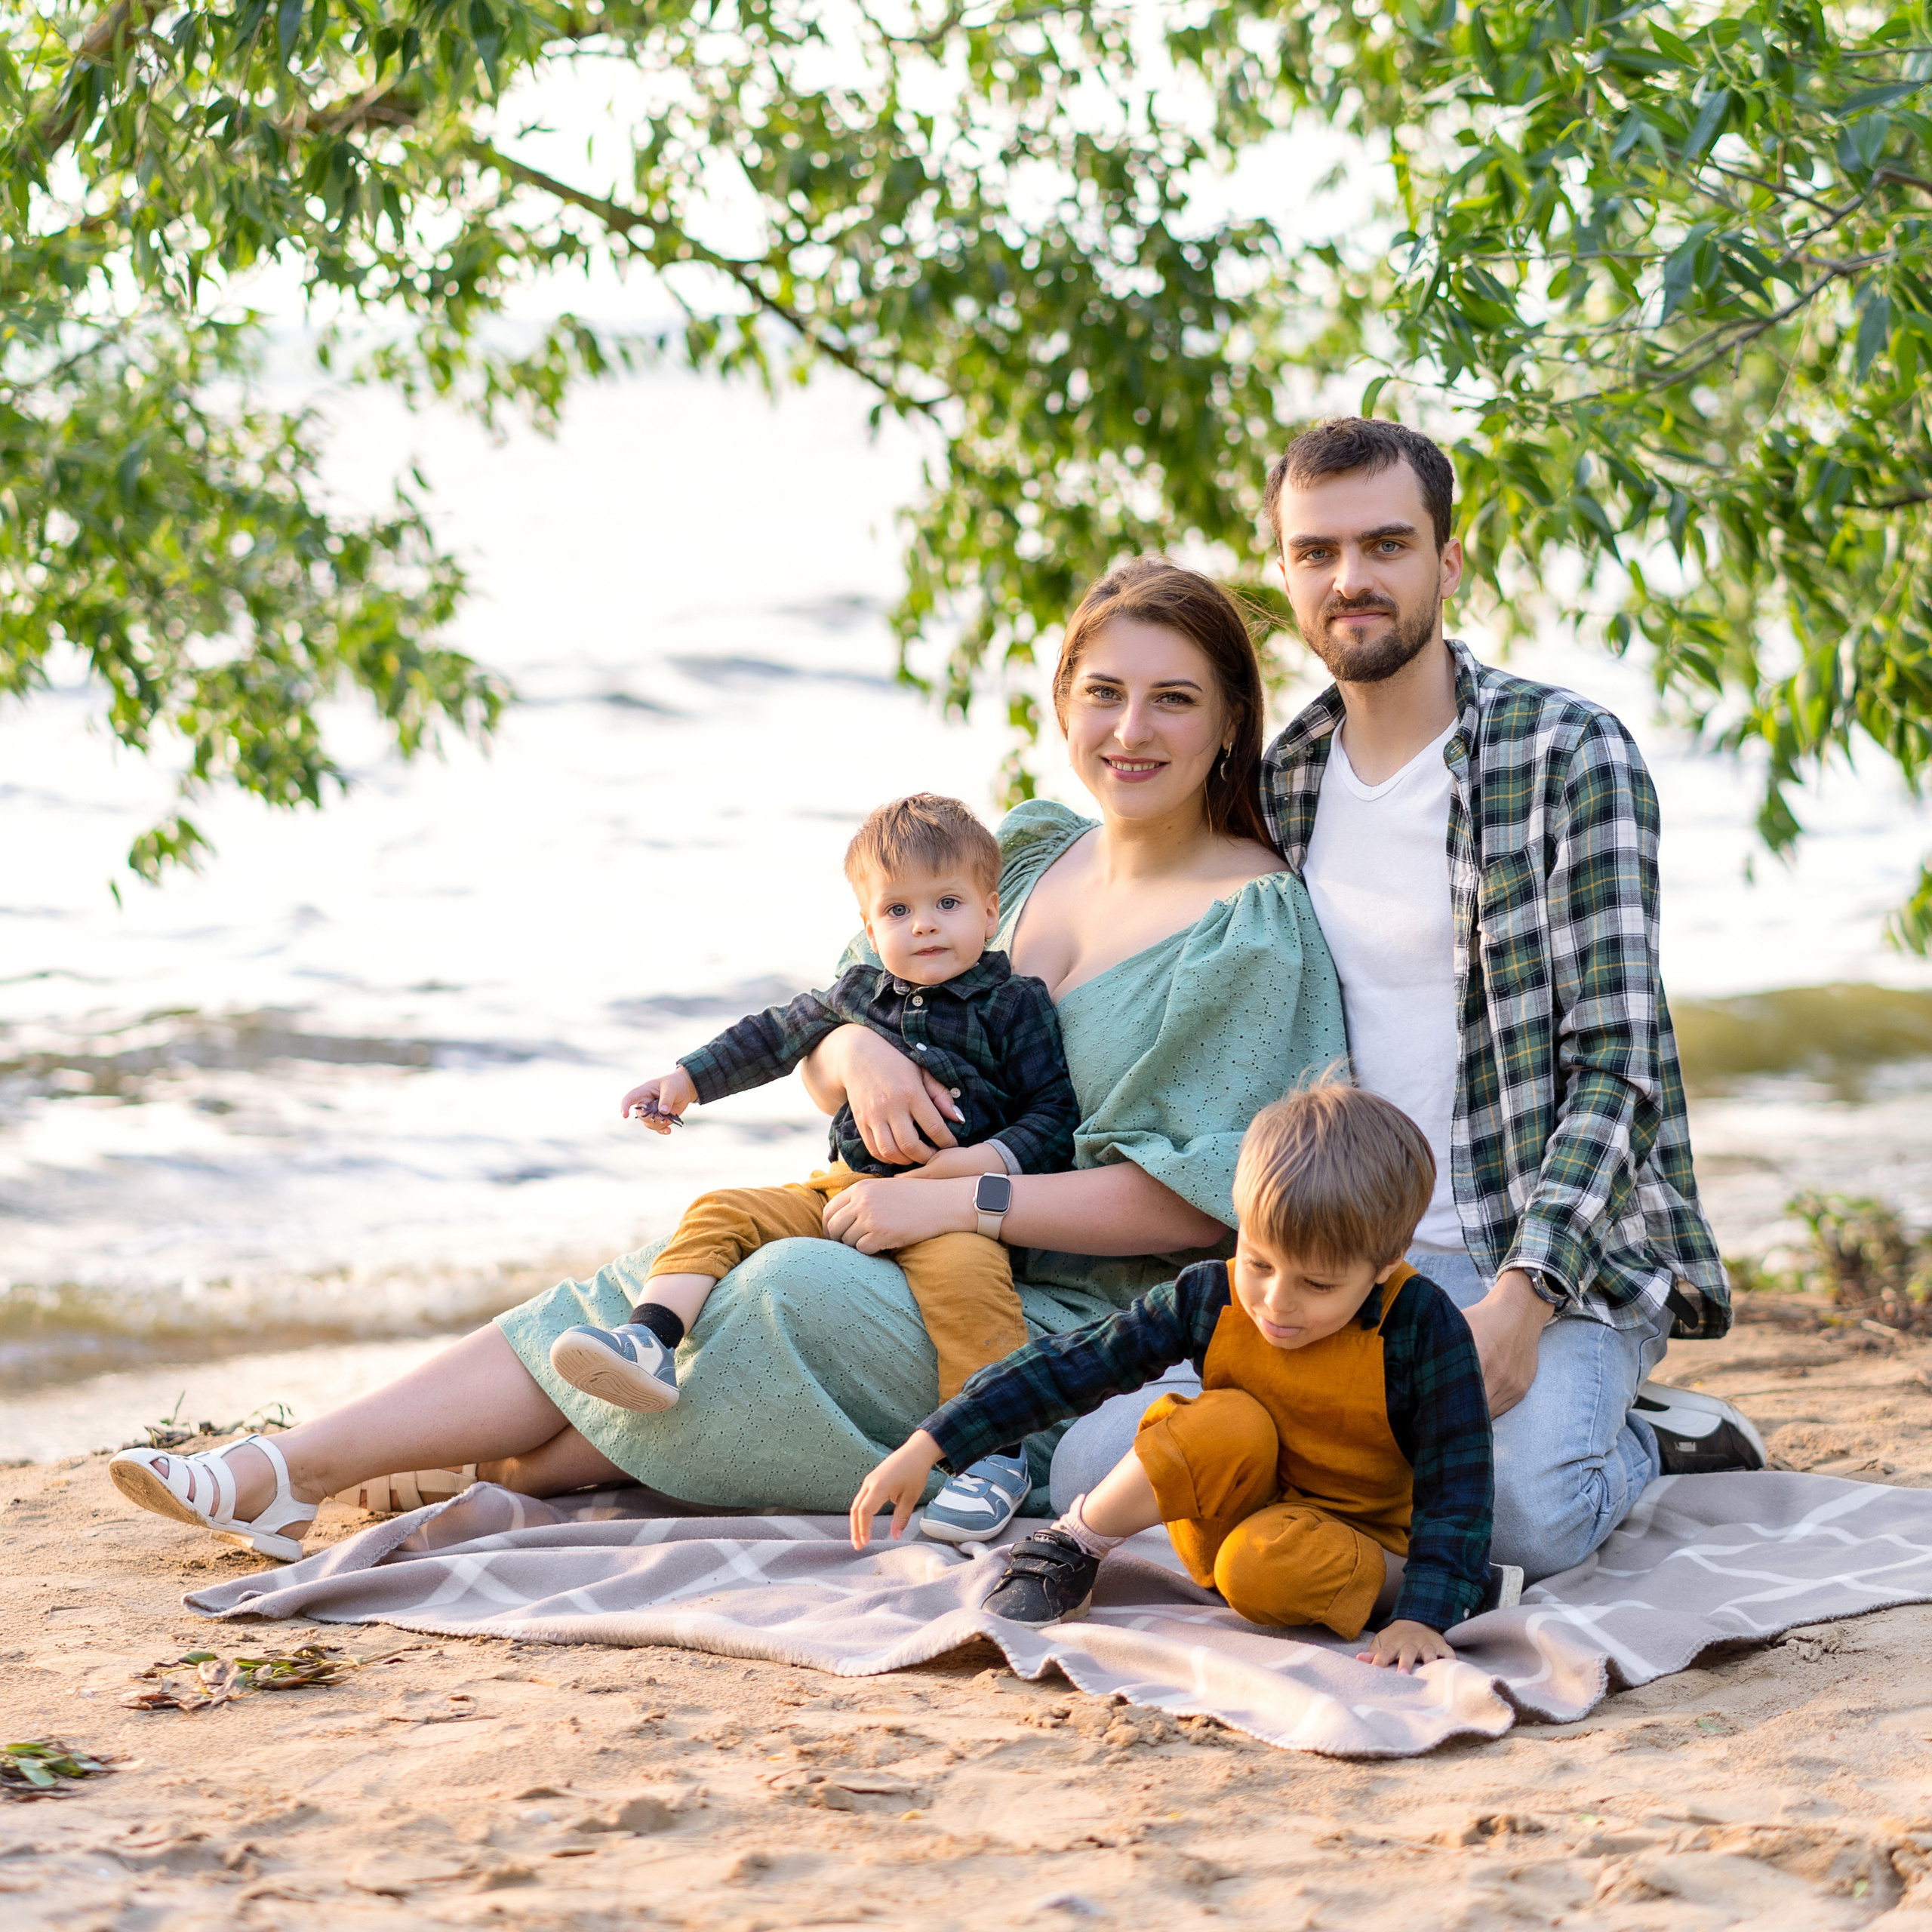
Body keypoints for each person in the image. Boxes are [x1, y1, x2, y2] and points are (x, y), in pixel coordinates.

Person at [106, 558, 1349, 1562]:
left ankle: (455, 1473)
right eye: (1104, 693)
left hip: (1061, 1306)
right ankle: (303, 1469)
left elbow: (1196, 1200)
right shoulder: (1019, 853)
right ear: (1064, 700)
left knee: (776, 1295)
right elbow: (824, 1025)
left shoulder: (1248, 924)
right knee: (701, 1259)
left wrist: (956, 1195)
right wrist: (858, 1054)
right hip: (887, 1228)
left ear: (1233, 717)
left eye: (1174, 699)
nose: (1131, 730)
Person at [1258, 416, 1761, 1580]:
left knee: (1526, 1519)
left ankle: (1654, 1440)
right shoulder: (1279, 779)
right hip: (1359, 1253)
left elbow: (1621, 1067)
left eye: (1387, 544)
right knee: (1123, 1468)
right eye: (1317, 552)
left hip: (1554, 1251)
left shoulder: (1570, 753)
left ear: (1449, 557)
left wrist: (1523, 1301)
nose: (1352, 580)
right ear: (1285, 569)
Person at [546, 792, 1080, 1544]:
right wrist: (686, 1080)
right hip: (847, 1188)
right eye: (897, 910)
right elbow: (771, 1036)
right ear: (869, 928)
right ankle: (649, 1339)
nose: (923, 923)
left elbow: (1055, 1116)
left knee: (971, 1292)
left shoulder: (1013, 1004)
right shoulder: (858, 997)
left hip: (951, 1212)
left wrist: (976, 1167)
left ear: (991, 912)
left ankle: (992, 1455)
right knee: (722, 1208)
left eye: (948, 902)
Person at [852, 1078, 1516, 1672]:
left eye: (1317, 1284)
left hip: (1345, 1544)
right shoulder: (1209, 1294)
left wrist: (1424, 1613)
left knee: (1261, 1569)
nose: (1278, 1303)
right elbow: (1076, 1364)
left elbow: (1456, 1479)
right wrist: (935, 1443)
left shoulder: (1422, 1326)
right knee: (1217, 1418)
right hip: (1235, 1513)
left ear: (1386, 1262)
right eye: (1260, 1263)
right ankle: (1076, 1546)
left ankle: (1429, 1586)